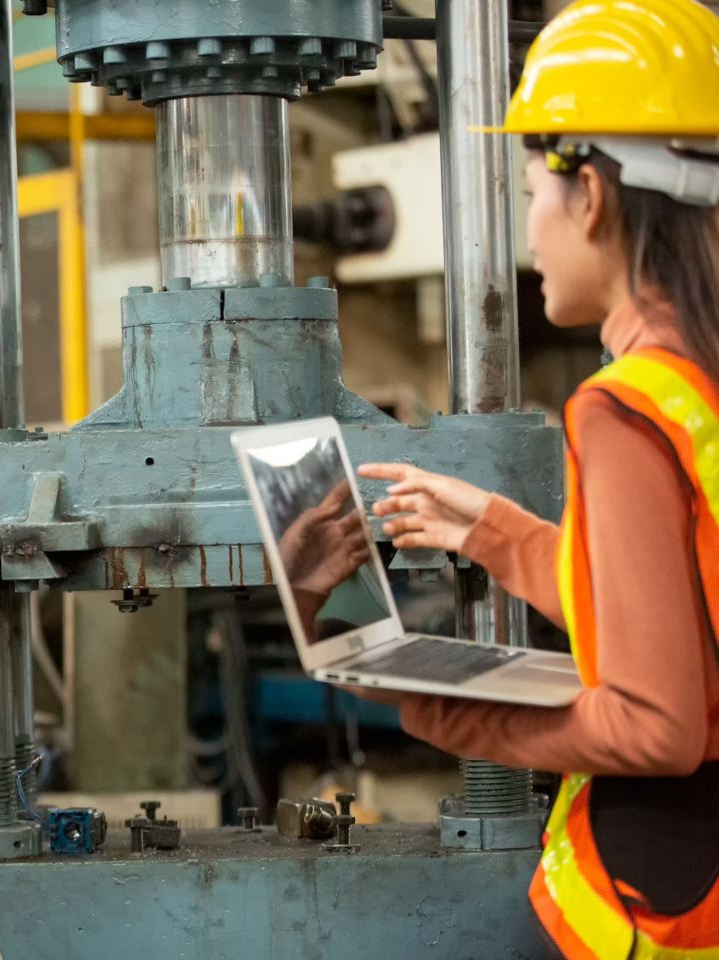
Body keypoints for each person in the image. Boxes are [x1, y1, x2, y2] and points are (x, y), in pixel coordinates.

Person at [356, 1, 719, 956]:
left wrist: (444, 707)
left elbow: (656, 727)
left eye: (529, 195)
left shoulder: (624, 407)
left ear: (590, 195)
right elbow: (688, 615)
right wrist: (501, 534)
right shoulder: (699, 387)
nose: (531, 227)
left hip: (674, 906)